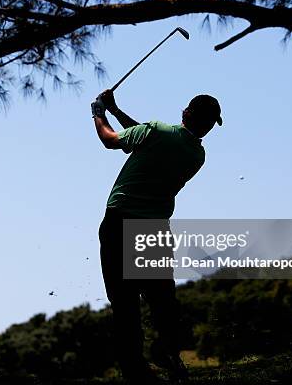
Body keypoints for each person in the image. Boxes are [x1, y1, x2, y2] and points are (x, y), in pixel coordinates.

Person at [91, 89, 222, 382]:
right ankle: (169, 354)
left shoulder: (157, 132)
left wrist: (98, 113)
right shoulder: (196, 154)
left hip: (120, 221)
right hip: (154, 228)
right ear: (210, 125)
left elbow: (111, 141)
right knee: (162, 299)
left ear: (185, 113)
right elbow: (146, 140)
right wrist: (116, 109)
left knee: (124, 302)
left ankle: (134, 368)